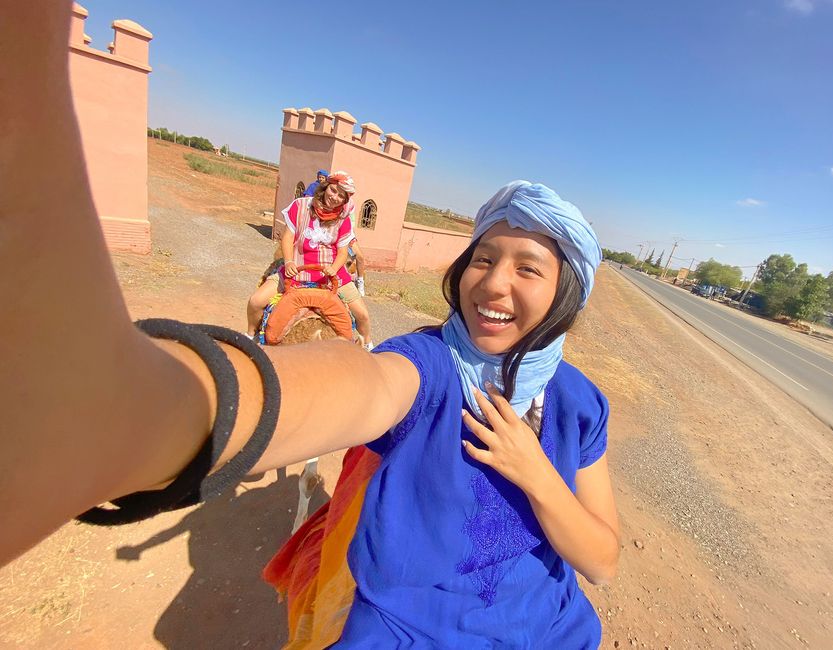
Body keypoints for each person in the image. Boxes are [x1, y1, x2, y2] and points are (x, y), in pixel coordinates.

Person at [2, 7, 617, 646]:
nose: (491, 282)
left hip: (553, 631)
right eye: (483, 259)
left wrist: (534, 469)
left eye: (527, 269)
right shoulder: (425, 367)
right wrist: (151, 411)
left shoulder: (579, 405)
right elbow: (367, 382)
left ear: (566, 295)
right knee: (268, 301)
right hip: (406, 631)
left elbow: (601, 559)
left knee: (357, 313)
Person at [245, 171, 374, 348]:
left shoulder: (343, 220)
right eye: (334, 191)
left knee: (363, 315)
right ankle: (250, 336)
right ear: (326, 187)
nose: (335, 197)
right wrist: (289, 261)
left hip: (331, 275)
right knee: (256, 301)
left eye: (341, 196)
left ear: (345, 201)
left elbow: (343, 252)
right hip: (296, 269)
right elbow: (288, 237)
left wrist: (334, 268)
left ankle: (367, 347)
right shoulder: (301, 206)